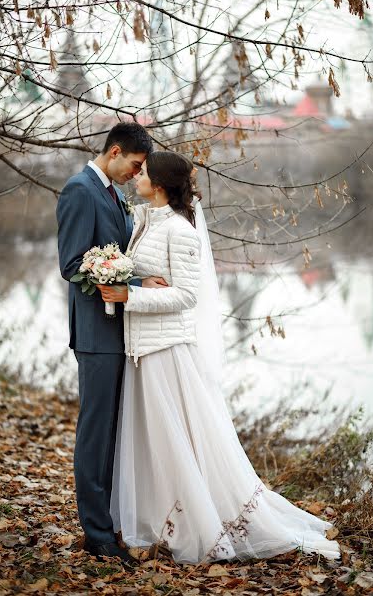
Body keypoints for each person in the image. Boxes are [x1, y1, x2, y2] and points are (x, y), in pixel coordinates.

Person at [97, 150, 341, 565]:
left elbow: (187, 295)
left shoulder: (182, 231)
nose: (136, 176)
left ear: (158, 184)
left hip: (166, 351)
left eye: (144, 173)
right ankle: (161, 521)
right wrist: (127, 279)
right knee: (154, 444)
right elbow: (143, 268)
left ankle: (197, 527)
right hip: (140, 349)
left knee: (175, 443)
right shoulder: (144, 219)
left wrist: (129, 296)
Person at [56, 122, 168, 569]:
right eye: (136, 166)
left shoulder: (113, 193)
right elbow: (72, 264)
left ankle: (111, 521)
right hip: (97, 335)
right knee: (96, 434)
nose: (136, 175)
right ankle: (98, 535)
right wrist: (134, 282)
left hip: (122, 330)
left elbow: (116, 251)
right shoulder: (79, 190)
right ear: (116, 151)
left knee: (114, 435)